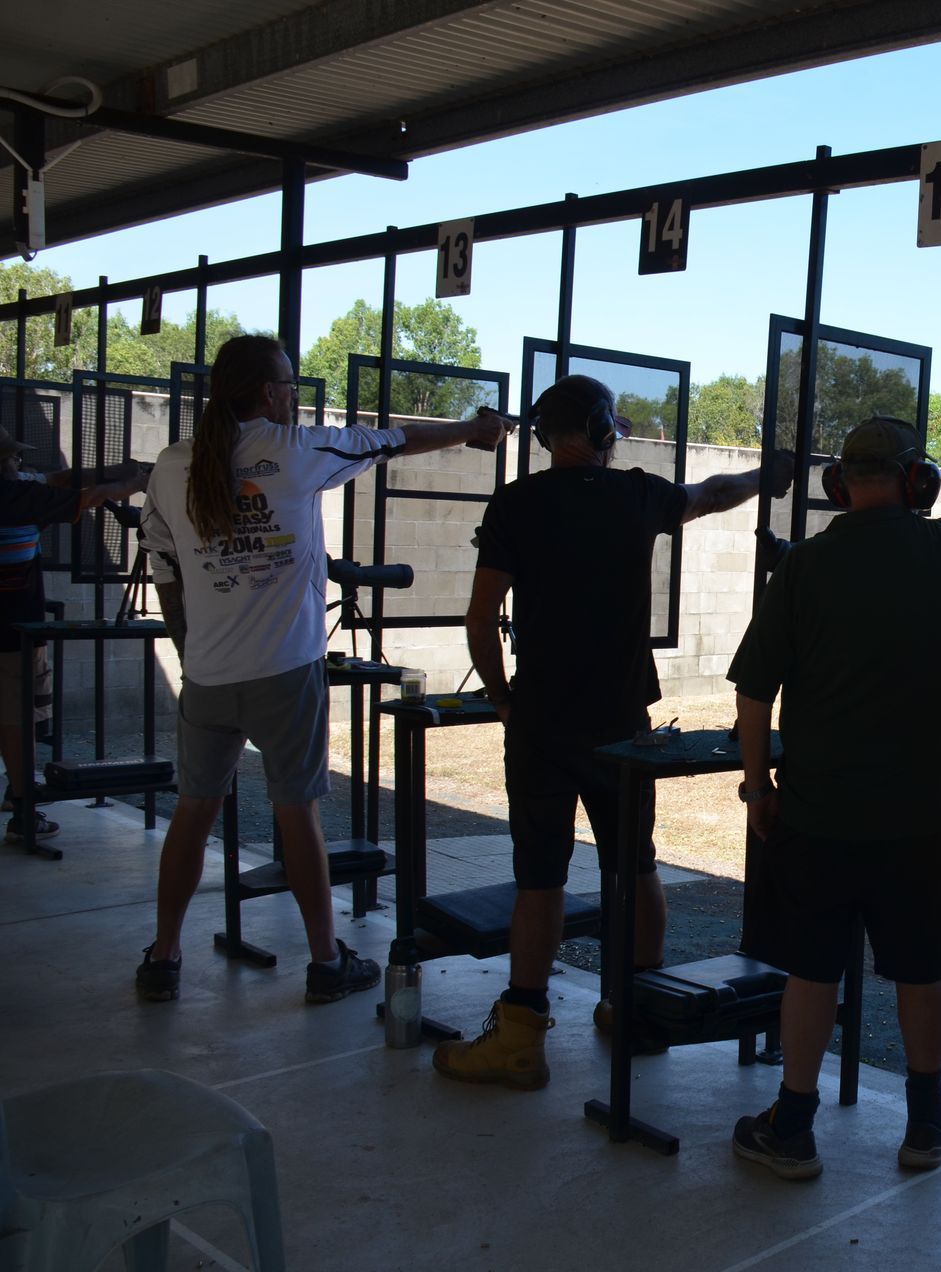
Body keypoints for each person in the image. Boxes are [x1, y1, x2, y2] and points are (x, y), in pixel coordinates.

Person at [725, 415, 941, 1180]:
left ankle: (793, 1127)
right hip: (916, 819)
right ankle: (924, 1121)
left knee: (811, 971)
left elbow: (754, 695)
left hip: (814, 813)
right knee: (921, 968)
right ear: (919, 482)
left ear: (839, 484)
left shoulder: (805, 567)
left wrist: (758, 789)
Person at [432, 373, 793, 1090]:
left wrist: (504, 700)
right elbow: (714, 493)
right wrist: (769, 474)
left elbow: (480, 618)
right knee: (635, 864)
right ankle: (636, 1009)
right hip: (622, 720)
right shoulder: (635, 493)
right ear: (599, 431)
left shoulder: (517, 502)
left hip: (540, 719)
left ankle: (522, 1035)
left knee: (540, 878)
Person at [135, 334, 511, 1005]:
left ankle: (162, 958)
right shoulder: (294, 451)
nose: (290, 393)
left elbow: (164, 565)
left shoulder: (171, 466)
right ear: (262, 391)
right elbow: (390, 440)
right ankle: (323, 961)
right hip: (286, 672)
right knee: (297, 816)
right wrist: (471, 432)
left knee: (192, 813)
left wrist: (190, 647)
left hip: (209, 677)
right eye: (284, 382)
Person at [0, 428, 149, 842]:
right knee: (17, 719)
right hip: (11, 631)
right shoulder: (11, 496)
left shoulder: (18, 487)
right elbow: (83, 498)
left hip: (20, 627)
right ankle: (23, 808)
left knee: (21, 716)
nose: (21, 465)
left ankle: (19, 796)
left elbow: (61, 480)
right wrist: (133, 483)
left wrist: (115, 470)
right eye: (13, 459)